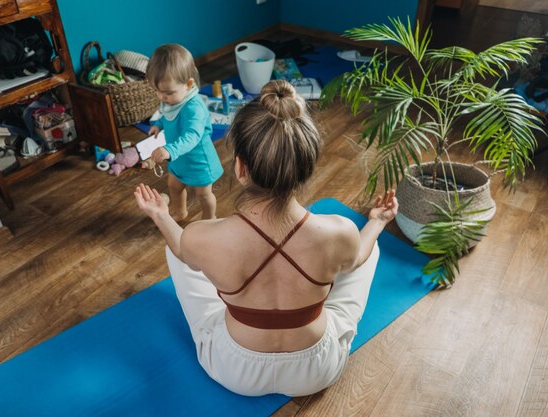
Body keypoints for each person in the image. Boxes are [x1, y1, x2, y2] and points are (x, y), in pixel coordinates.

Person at [134, 80, 398, 397]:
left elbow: (180, 247)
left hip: (235, 371)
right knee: (363, 252)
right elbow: (356, 259)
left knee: (180, 251)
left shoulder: (203, 235)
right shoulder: (340, 230)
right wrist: (377, 222)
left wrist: (160, 214)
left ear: (241, 169)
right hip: (315, 371)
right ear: (307, 167)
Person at [146, 44, 224, 220]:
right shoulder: (171, 99)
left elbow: (192, 136)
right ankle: (180, 212)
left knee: (203, 195)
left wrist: (169, 150)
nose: (161, 97)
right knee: (174, 186)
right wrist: (158, 124)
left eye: (167, 93)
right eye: (157, 91)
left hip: (198, 160)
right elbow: (166, 114)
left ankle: (210, 219)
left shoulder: (194, 108)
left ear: (188, 84)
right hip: (179, 157)